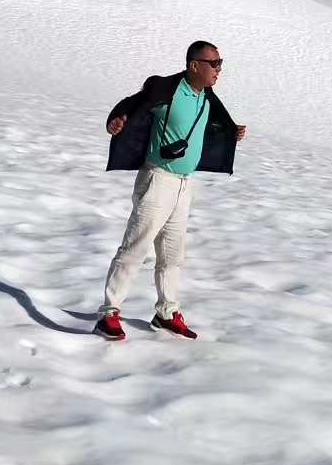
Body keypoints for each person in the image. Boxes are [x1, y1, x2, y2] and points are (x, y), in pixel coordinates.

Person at [94, 41, 246, 341]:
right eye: (214, 63)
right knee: (135, 249)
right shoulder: (166, 89)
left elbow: (214, 122)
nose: (219, 69)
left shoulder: (206, 97)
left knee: (173, 256)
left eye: (220, 62)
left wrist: (232, 131)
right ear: (194, 65)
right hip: (157, 180)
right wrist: (117, 120)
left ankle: (166, 312)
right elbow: (132, 103)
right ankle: (108, 314)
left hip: (183, 185)